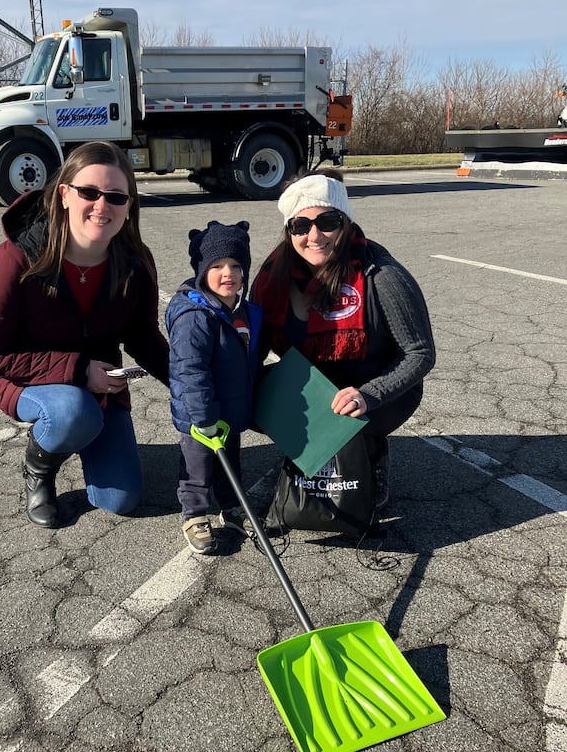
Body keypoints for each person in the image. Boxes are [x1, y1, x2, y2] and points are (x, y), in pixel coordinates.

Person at [0, 141, 169, 528]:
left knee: (121, 500)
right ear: (64, 194)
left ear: (129, 206)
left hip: (98, 387)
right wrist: (78, 371)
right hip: (22, 378)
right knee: (71, 413)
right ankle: (39, 467)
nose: (101, 205)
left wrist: (189, 384)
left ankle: (86, 434)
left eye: (115, 196)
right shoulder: (16, 258)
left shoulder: (136, 261)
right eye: (89, 192)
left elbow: (142, 336)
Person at [250, 169, 435, 509]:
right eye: (301, 226)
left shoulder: (381, 275)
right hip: (313, 386)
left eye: (327, 221)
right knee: (243, 394)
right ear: (290, 231)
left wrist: (370, 395)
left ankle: (372, 452)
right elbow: (255, 347)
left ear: (345, 222)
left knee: (352, 417)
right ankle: (304, 452)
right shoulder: (272, 276)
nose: (315, 235)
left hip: (377, 389)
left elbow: (420, 354)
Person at [165, 221, 263, 554]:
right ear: (201, 269)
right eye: (217, 266)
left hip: (230, 411)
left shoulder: (242, 312)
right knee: (197, 466)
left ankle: (232, 506)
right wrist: (202, 417)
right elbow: (189, 371)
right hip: (201, 416)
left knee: (229, 463)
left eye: (236, 266)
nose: (228, 273)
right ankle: (194, 513)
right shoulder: (195, 315)